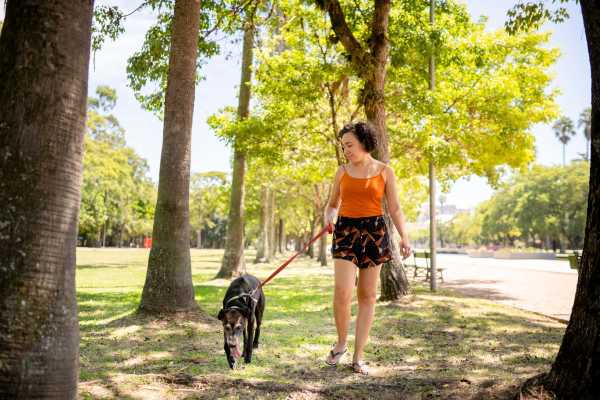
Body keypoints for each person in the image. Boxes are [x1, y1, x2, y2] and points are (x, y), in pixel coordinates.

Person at [323, 121, 411, 375]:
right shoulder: (342, 171)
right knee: (342, 291)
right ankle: (341, 344)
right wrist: (328, 216)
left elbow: (394, 208)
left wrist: (404, 236)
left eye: (349, 145)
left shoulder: (385, 171)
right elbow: (332, 204)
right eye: (343, 146)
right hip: (346, 231)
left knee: (367, 296)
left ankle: (359, 356)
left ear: (364, 142)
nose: (346, 150)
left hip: (375, 232)